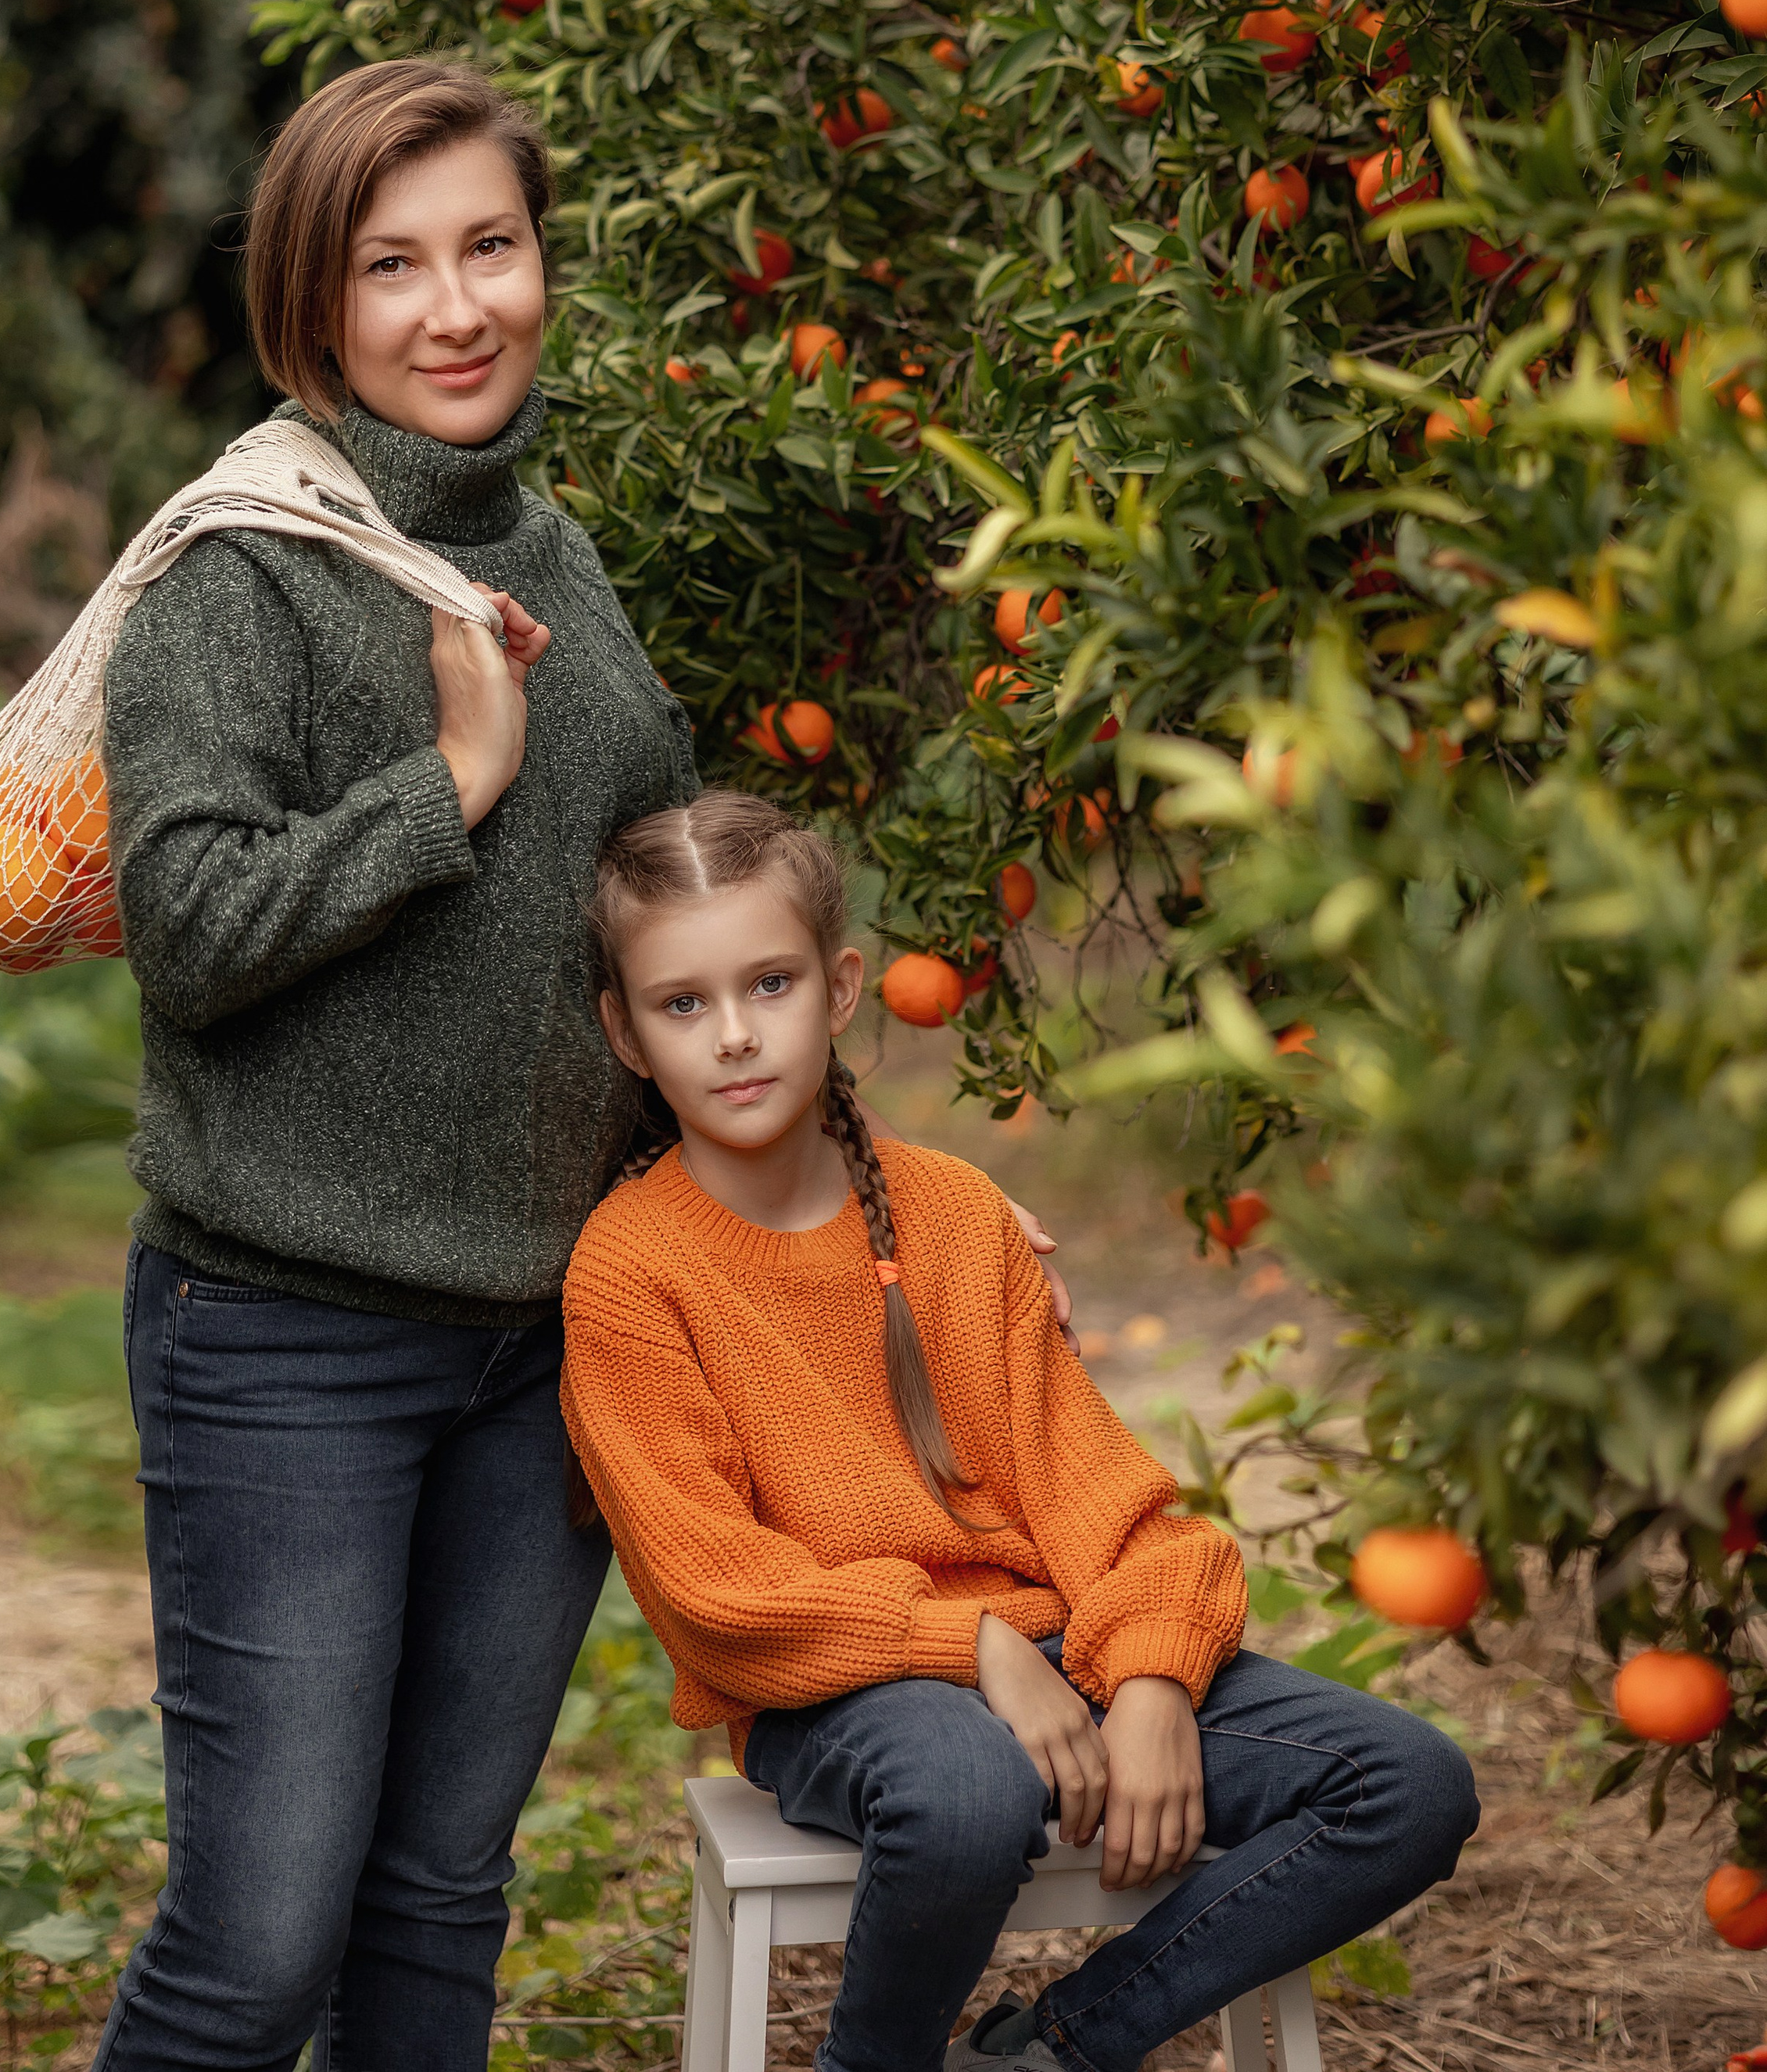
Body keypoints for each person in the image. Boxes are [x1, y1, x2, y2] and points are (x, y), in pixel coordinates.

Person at [92, 57, 1070, 2072]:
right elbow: (187, 939)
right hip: (286, 1332)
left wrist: (895, 1196)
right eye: (394, 266)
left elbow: (678, 961)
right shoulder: (236, 574)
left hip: (546, 1342)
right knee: (262, 1938)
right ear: (314, 302)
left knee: (439, 1897)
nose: (457, 308)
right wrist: (449, 780)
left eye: (491, 248)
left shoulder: (556, 555)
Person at [561, 791, 1482, 2072]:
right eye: (682, 1004)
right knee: (968, 1793)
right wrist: (977, 1645)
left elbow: (1095, 1489)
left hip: (1064, 1651)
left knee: (1409, 1786)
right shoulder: (632, 1271)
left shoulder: (954, 1217)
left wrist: (1154, 1676)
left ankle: (1051, 2051)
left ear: (837, 988)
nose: (732, 1036)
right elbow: (720, 1597)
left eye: (768, 984)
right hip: (832, 1688)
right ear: (625, 1031)